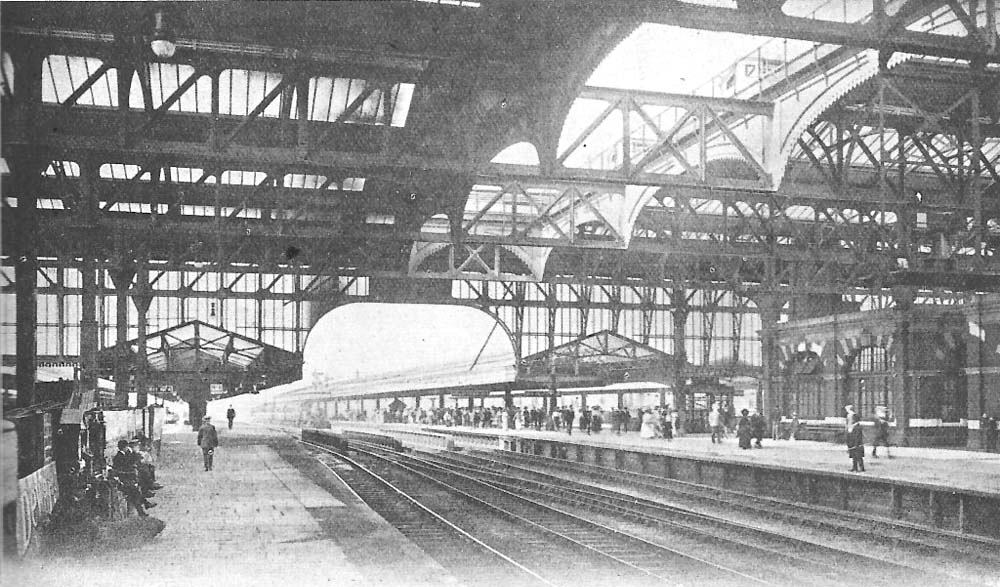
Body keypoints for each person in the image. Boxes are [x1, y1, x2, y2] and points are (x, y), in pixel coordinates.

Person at [111, 439, 155, 516]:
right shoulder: (119, 457)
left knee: (135, 491)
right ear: (125, 447)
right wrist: (130, 472)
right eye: (126, 447)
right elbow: (119, 470)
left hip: (127, 478)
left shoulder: (123, 454)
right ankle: (144, 507)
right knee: (135, 492)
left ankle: (143, 509)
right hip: (123, 479)